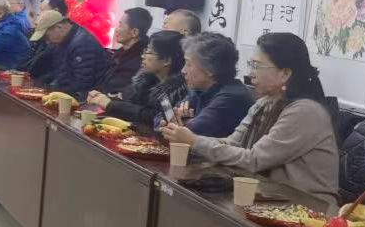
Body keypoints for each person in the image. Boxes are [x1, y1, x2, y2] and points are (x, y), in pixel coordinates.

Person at [162, 32, 338, 204]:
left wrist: (194, 141)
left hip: (307, 206)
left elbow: (254, 160)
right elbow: (233, 143)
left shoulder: (305, 112)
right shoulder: (265, 102)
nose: (251, 72)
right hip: (270, 197)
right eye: (250, 64)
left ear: (285, 73)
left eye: (256, 66)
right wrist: (187, 138)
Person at [89, 29, 188, 125]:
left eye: (149, 52)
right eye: (145, 50)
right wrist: (104, 99)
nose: (143, 56)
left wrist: (111, 105)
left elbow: (156, 117)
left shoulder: (174, 91)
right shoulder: (146, 80)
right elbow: (130, 104)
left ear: (166, 60)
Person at [168, 32, 254, 138]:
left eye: (189, 64)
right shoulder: (200, 89)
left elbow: (191, 132)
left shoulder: (232, 97)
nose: (183, 70)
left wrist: (183, 122)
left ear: (210, 69)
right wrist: (182, 121)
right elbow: (161, 119)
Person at [29, 16, 109, 98]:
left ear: (59, 27)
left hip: (85, 96)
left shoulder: (82, 44)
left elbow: (82, 83)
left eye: (47, 36)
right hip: (68, 90)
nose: (47, 41)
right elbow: (60, 71)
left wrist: (52, 90)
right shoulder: (65, 40)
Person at [102, 7, 153, 93]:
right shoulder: (122, 53)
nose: (116, 29)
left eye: (120, 25)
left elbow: (112, 89)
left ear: (134, 32)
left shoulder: (138, 62)